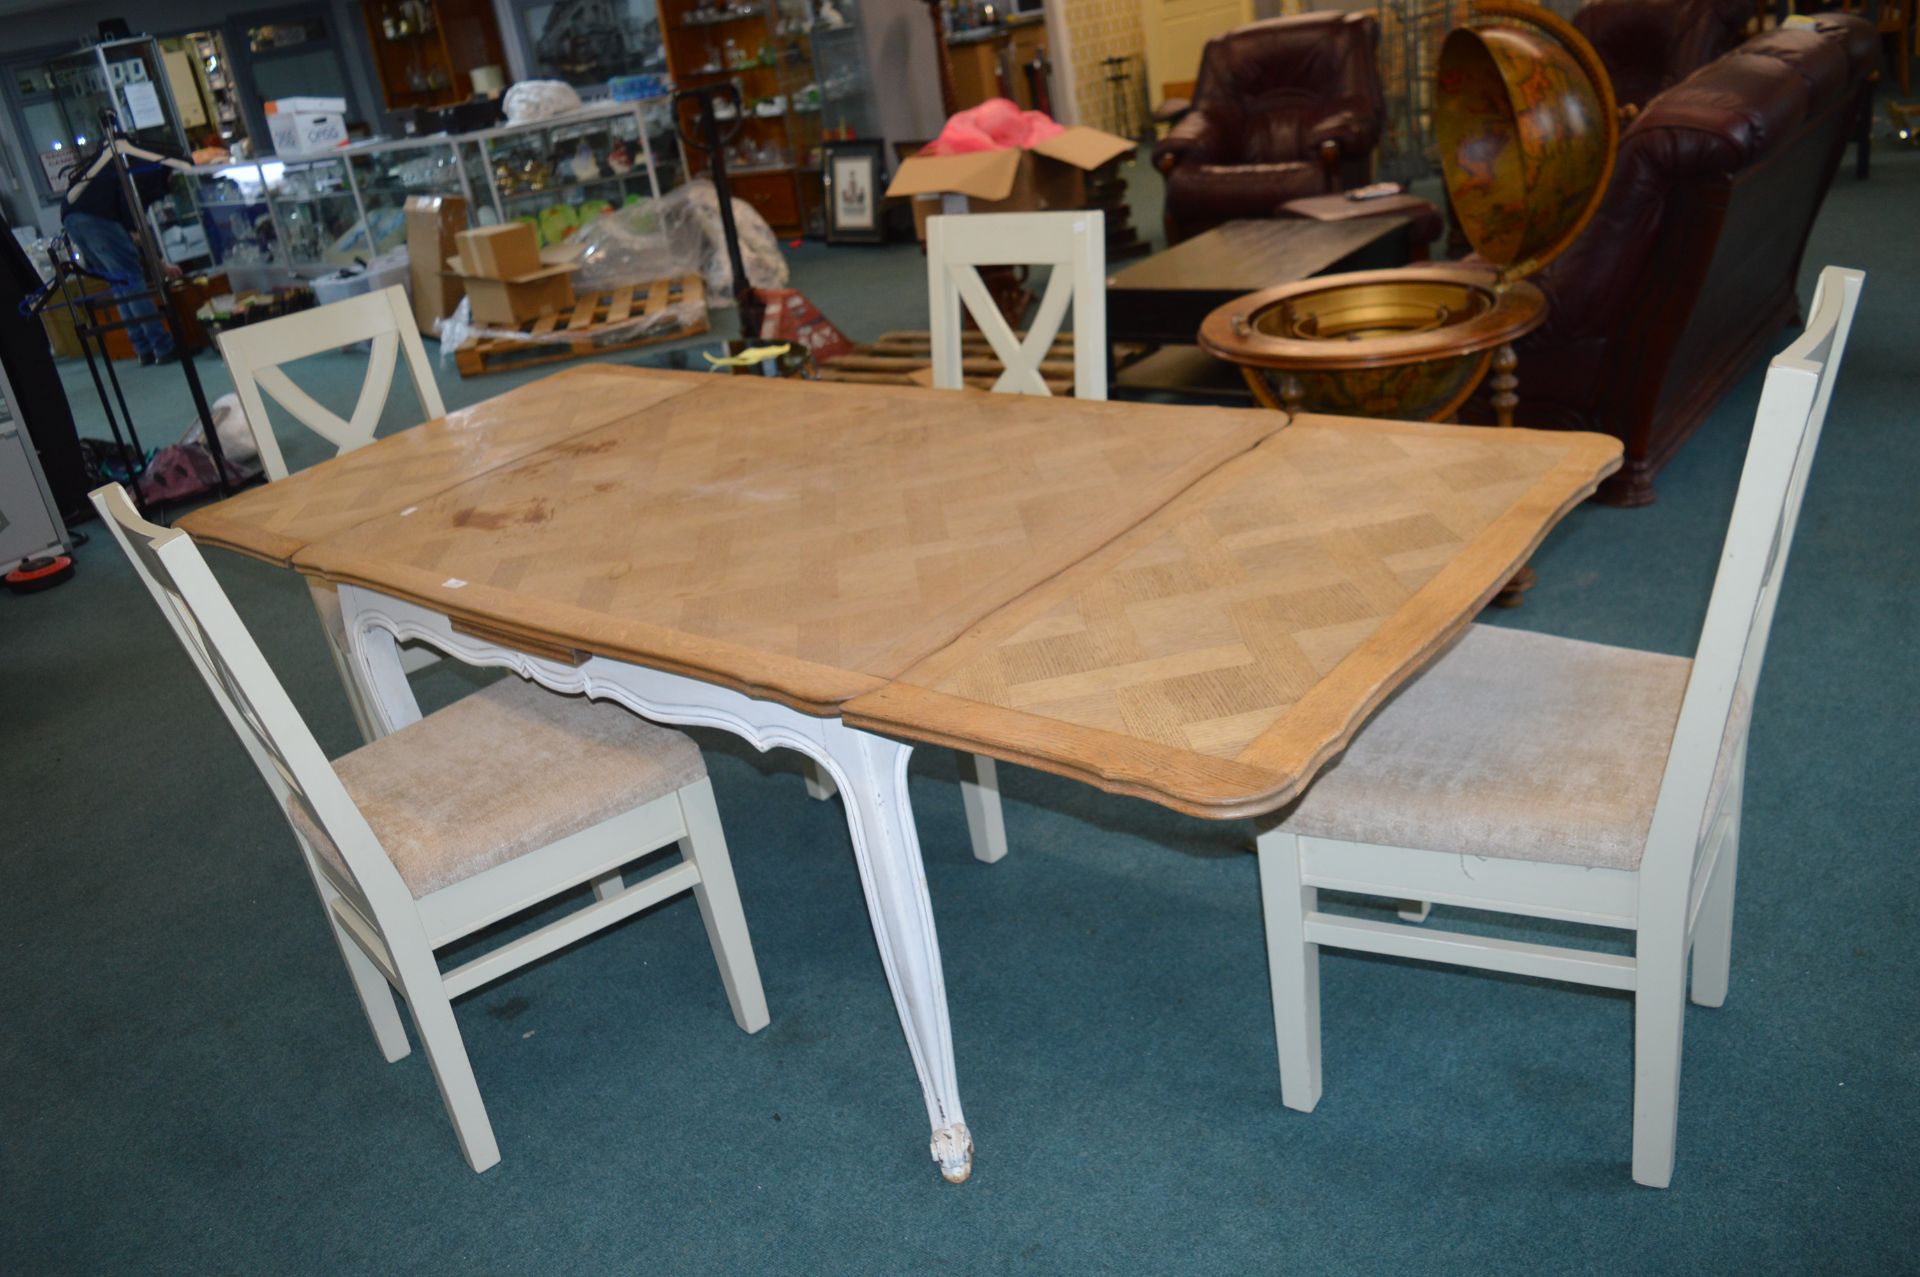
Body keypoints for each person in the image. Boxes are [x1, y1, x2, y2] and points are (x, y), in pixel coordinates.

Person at [60, 135, 193, 366]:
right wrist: (137, 236)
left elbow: (138, 224)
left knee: (120, 284)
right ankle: (163, 346)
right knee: (132, 282)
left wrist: (160, 263)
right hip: (97, 217)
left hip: (73, 216)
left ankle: (143, 349)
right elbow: (135, 221)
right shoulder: (150, 170)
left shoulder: (135, 162)